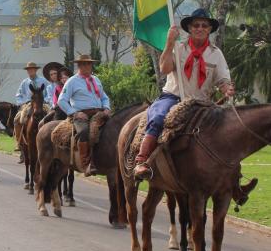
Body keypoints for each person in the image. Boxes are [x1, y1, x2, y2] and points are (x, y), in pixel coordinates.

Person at [134, 9, 233, 177]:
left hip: (201, 102)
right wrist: (169, 43)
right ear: (189, 28)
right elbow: (164, 69)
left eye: (204, 25)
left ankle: (228, 173)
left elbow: (223, 79)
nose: (200, 28)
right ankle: (142, 161)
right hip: (173, 97)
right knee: (157, 117)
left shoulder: (216, 54)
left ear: (209, 29)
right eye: (196, 25)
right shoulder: (177, 47)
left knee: (224, 126)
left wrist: (227, 88)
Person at [57, 54, 111, 176]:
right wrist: (75, 113)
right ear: (79, 66)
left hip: (99, 113)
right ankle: (86, 163)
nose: (87, 66)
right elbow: (61, 100)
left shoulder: (96, 80)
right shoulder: (72, 81)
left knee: (114, 128)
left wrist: (107, 108)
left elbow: (104, 97)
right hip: (82, 115)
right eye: (84, 64)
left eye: (89, 64)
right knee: (84, 132)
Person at [13, 62, 51, 163]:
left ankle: (51, 142)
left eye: (32, 69)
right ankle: (19, 143)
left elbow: (49, 93)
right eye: (29, 70)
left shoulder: (43, 81)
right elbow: (18, 95)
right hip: (28, 104)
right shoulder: (24, 82)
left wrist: (45, 100)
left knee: (51, 117)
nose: (30, 71)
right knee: (17, 119)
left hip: (42, 104)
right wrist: (23, 102)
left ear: (36, 70)